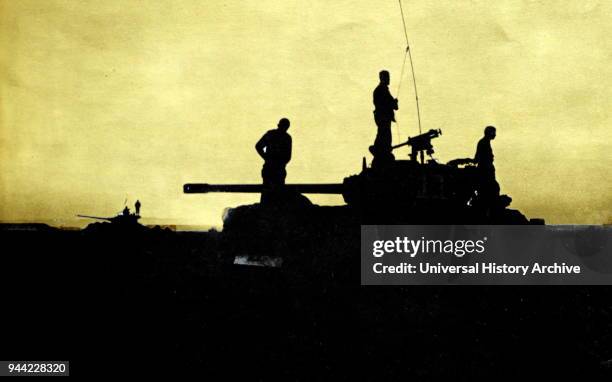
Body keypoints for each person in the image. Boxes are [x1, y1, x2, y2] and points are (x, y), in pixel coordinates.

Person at [255, 118, 292, 187]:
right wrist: (266, 157)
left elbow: (258, 146)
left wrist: (266, 157)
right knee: (276, 194)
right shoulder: (286, 138)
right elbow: (288, 157)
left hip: (273, 169)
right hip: (275, 170)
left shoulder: (271, 134)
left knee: (268, 194)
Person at [371, 70, 399, 159]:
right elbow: (380, 104)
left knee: (385, 136)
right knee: (384, 135)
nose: (389, 79)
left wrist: (393, 103)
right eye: (387, 77)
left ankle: (383, 152)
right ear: (382, 78)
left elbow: (393, 105)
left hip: (384, 118)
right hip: (382, 117)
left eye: (389, 77)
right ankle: (378, 151)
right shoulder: (379, 90)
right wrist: (392, 103)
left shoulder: (384, 90)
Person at [474, 125, 500, 200]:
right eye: (493, 133)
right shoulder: (483, 142)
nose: (495, 135)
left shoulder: (485, 142)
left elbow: (477, 157)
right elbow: (478, 156)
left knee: (493, 188)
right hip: (485, 170)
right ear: (489, 133)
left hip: (486, 169)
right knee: (492, 188)